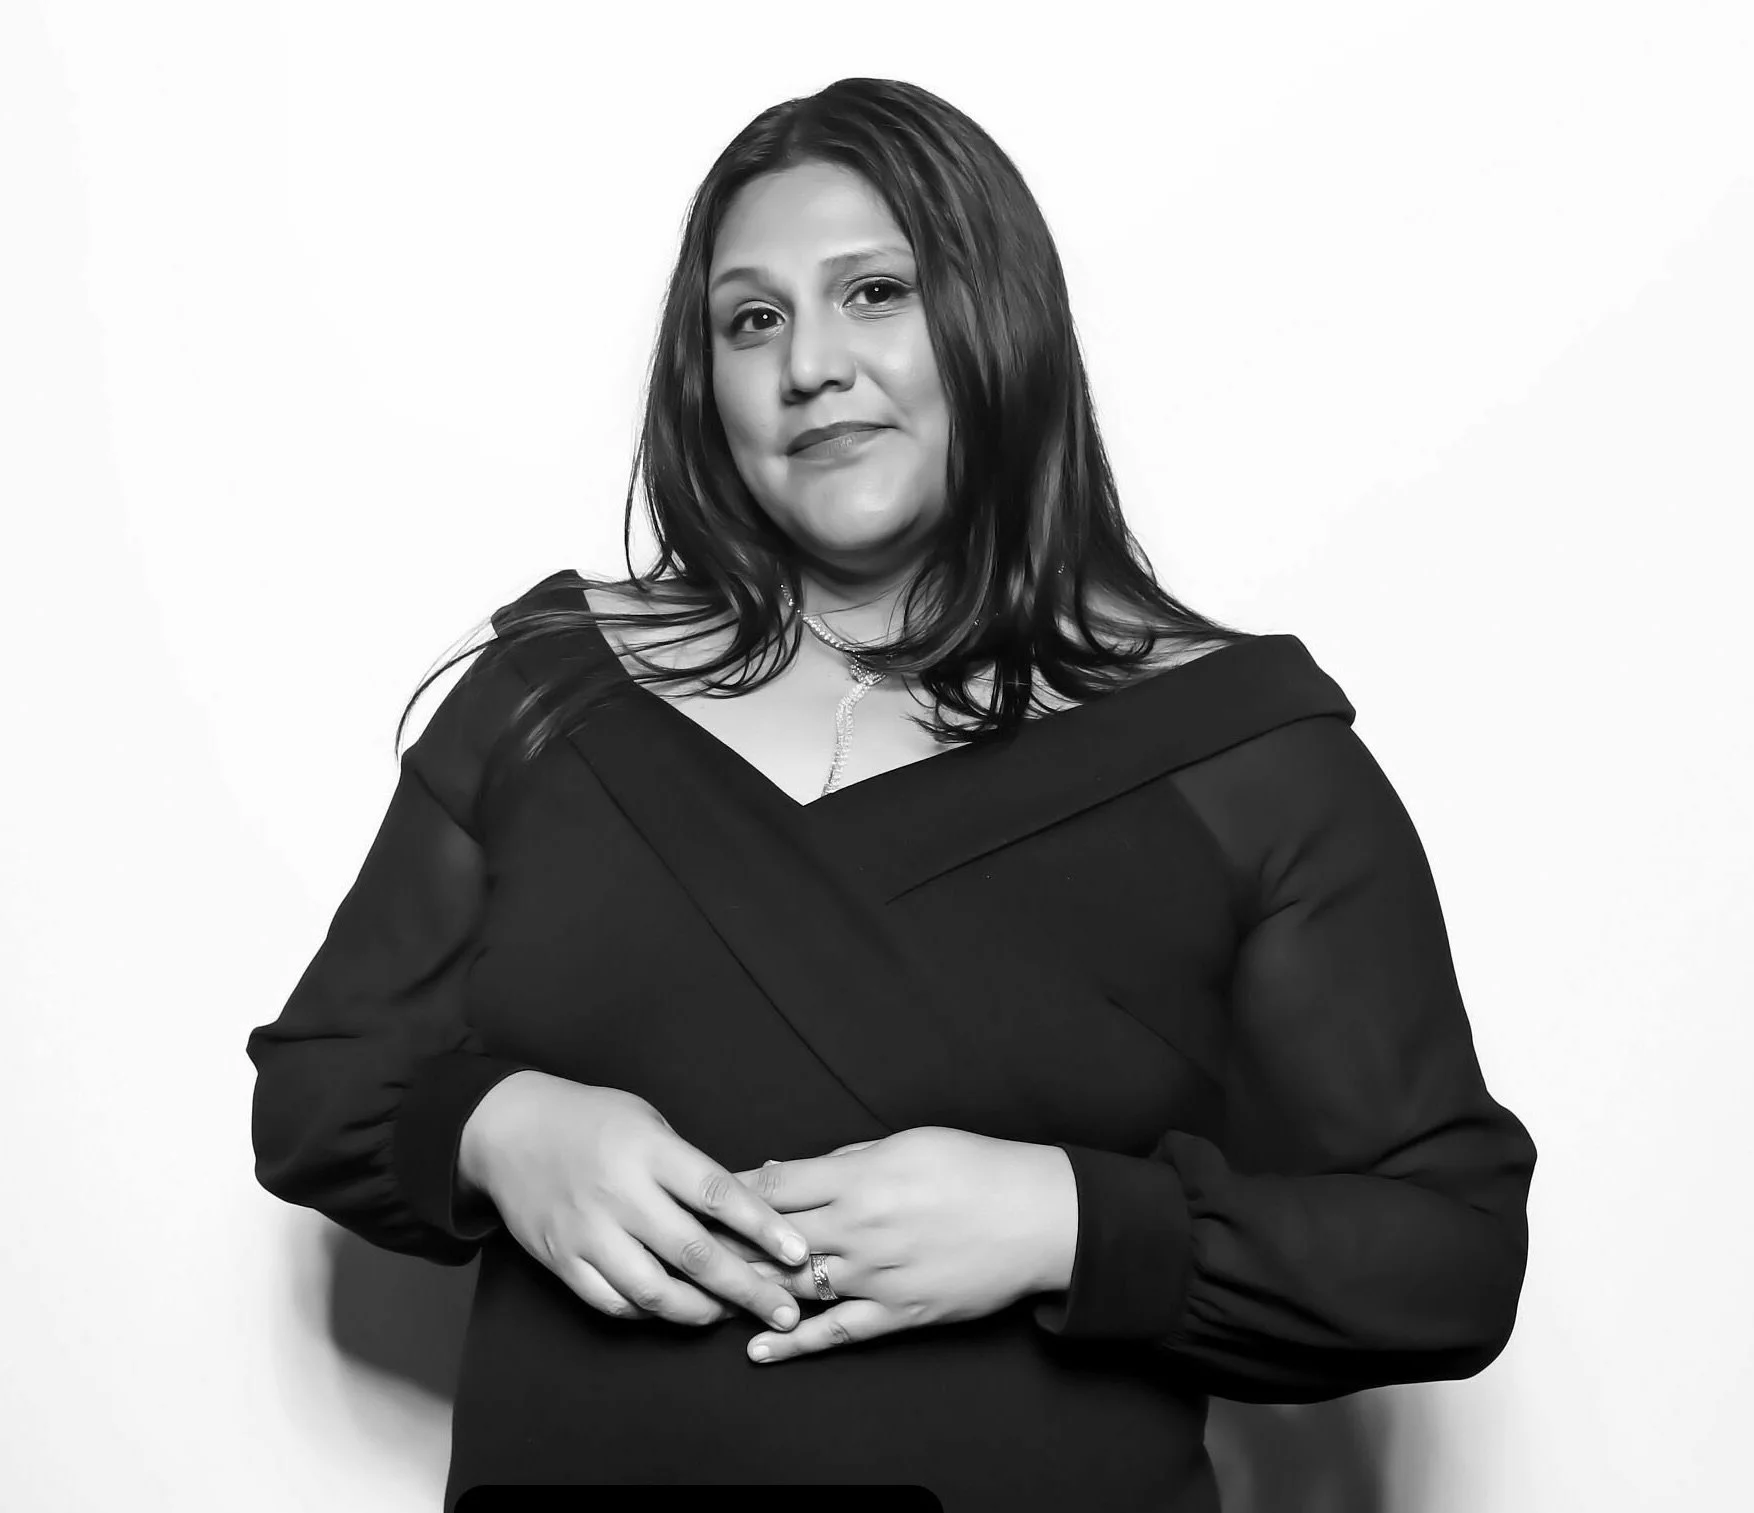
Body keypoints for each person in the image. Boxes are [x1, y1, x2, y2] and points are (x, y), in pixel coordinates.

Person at [245, 77, 1537, 1513]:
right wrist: (496, 1130)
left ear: (998, 319)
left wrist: (1067, 1223)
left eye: (873, 292)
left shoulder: (1238, 752)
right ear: (707, 383)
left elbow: (1446, 1255)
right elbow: (315, 1089)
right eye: (753, 318)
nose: (809, 364)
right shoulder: (555, 697)